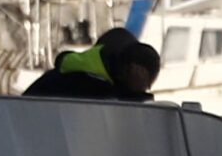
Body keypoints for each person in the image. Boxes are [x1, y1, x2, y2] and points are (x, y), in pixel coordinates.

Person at [24, 26, 160, 101]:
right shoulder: (90, 83)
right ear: (132, 69)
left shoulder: (99, 77)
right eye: (146, 81)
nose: (146, 87)